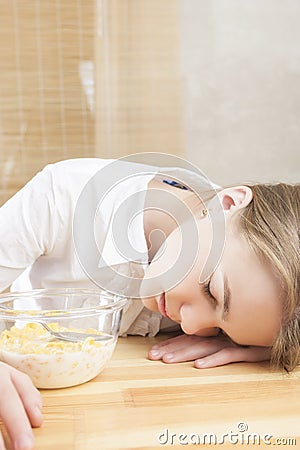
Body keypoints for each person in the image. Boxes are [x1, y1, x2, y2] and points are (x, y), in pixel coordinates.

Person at [0, 156, 299, 450]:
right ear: (227, 204)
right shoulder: (66, 194)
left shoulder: (251, 280)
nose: (191, 325)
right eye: (211, 290)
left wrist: (269, 347)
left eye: (223, 331)